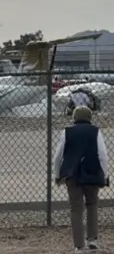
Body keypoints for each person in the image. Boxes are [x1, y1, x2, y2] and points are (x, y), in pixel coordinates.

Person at [53, 106, 109, 253]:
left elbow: (58, 156)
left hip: (72, 174)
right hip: (91, 172)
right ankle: (92, 239)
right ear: (90, 118)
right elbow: (102, 154)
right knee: (92, 204)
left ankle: (79, 246)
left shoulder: (67, 132)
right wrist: (105, 174)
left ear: (74, 118)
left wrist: (57, 174)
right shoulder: (96, 131)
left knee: (75, 207)